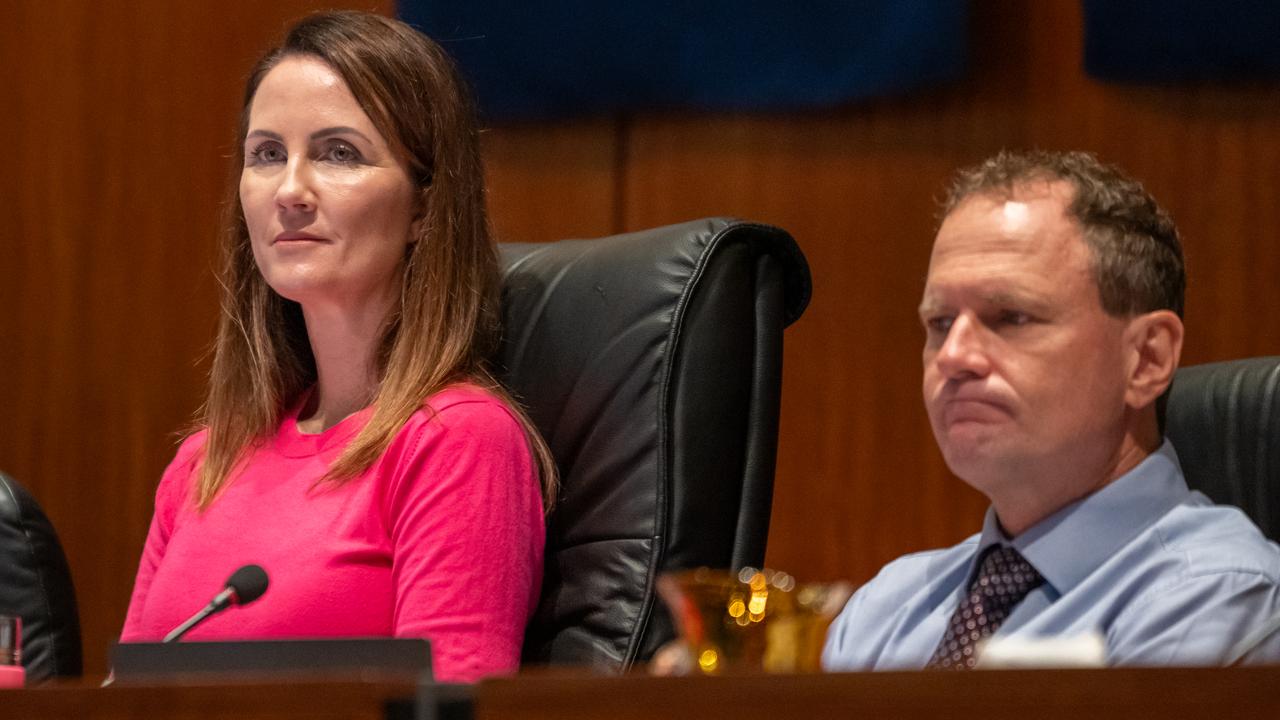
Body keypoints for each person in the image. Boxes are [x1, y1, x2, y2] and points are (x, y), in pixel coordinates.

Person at [120, 11, 557, 682]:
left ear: (425, 209)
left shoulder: (458, 443)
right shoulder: (202, 463)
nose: (290, 191)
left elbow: (449, 706)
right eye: (267, 154)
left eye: (337, 153)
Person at [823, 150, 1280, 670]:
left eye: (1011, 317)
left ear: (1147, 359)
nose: (953, 358)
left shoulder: (1213, 598)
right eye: (941, 323)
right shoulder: (882, 611)